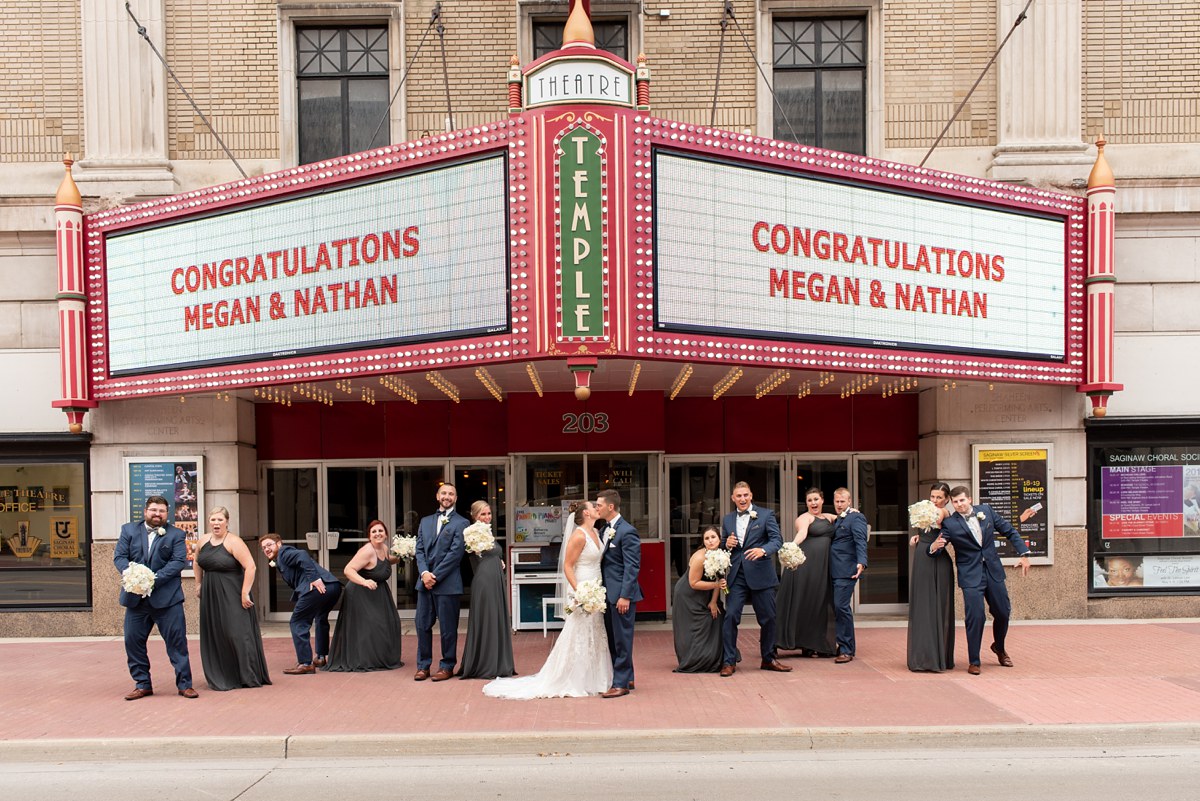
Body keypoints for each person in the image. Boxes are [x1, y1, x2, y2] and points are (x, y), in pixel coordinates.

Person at [483, 501, 612, 699]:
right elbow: (568, 566)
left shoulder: (596, 532)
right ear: (586, 513)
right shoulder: (579, 536)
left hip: (596, 586)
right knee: (578, 632)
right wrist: (580, 592)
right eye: (593, 506)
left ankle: (595, 678)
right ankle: (573, 678)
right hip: (583, 587)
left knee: (595, 631)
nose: (597, 508)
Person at [929, 485, 1031, 675]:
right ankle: (974, 660)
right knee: (975, 616)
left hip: (993, 571)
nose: (959, 505)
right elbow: (938, 548)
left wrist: (1024, 553)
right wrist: (933, 547)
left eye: (962, 500)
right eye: (955, 502)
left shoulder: (986, 511)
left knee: (1003, 612)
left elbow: (1009, 531)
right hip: (970, 575)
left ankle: (999, 647)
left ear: (969, 499)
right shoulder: (950, 524)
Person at [113, 495, 198, 700]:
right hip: (136, 599)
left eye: (161, 511)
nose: (157, 514)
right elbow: (120, 557)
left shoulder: (176, 534)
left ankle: (184, 684)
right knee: (133, 641)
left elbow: (178, 562)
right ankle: (142, 684)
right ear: (145, 511)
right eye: (153, 510)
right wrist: (134, 576)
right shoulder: (129, 530)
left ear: (166, 513)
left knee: (177, 643)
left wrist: (151, 579)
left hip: (167, 600)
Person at [194, 507, 271, 691]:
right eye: (213, 520)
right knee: (216, 632)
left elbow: (250, 567)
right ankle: (221, 674)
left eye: (220, 520)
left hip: (233, 592)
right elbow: (197, 562)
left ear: (227, 522)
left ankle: (247, 675)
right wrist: (198, 584)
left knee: (237, 633)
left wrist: (245, 592)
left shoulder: (234, 541)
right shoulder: (203, 540)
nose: (216, 523)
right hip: (211, 593)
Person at [720, 481, 791, 676]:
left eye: (745, 495)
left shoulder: (766, 515)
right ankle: (729, 661)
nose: (742, 499)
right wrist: (727, 543)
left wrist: (763, 550)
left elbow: (777, 540)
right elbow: (724, 547)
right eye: (738, 496)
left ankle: (768, 659)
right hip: (737, 575)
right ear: (733, 498)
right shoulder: (727, 519)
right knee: (731, 616)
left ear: (751, 495)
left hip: (761, 573)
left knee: (768, 618)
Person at [259, 533, 342, 674]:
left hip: (318, 587)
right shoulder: (280, 558)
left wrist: (314, 579)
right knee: (320, 616)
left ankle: (305, 663)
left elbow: (302, 555)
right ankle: (321, 657)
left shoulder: (284, 553)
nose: (266, 549)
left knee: (297, 622)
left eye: (269, 545)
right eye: (263, 547)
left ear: (279, 544)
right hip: (333, 586)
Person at [327, 519, 403, 672]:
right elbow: (348, 570)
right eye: (374, 532)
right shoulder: (367, 551)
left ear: (386, 534)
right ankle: (364, 659)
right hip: (360, 592)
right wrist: (365, 581)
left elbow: (387, 562)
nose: (377, 534)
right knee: (370, 626)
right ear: (369, 536)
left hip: (378, 593)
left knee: (389, 623)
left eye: (380, 531)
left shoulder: (385, 549)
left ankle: (379, 657)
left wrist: (405, 552)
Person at [414, 483, 467, 682]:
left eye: (451, 493)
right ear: (437, 496)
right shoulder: (425, 521)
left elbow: (455, 554)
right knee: (422, 625)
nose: (447, 496)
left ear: (456, 498)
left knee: (448, 628)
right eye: (443, 493)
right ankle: (423, 665)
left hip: (447, 584)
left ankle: (447, 666)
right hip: (424, 583)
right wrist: (424, 573)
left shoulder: (461, 523)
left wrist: (434, 576)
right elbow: (419, 550)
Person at [776, 487, 837, 658]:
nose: (813, 503)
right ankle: (798, 641)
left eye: (816, 499)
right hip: (806, 566)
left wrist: (853, 511)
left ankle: (813, 642)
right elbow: (802, 533)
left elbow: (845, 516)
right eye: (810, 500)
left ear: (822, 500)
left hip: (822, 566)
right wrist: (792, 545)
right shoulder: (804, 518)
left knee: (818, 602)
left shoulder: (828, 517)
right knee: (805, 601)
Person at [458, 500, 516, 680]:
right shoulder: (472, 531)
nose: (487, 517)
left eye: (489, 513)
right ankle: (486, 664)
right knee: (488, 619)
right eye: (482, 514)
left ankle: (497, 662)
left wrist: (498, 562)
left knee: (496, 618)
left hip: (495, 578)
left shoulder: (486, 531)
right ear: (474, 516)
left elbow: (488, 553)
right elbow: (475, 553)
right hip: (485, 581)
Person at [596, 488, 642, 697]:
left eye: (599, 505)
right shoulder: (604, 529)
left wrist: (625, 595)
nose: (597, 508)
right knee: (615, 638)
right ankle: (628, 677)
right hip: (607, 594)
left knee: (622, 640)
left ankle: (621, 684)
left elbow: (632, 567)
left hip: (621, 595)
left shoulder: (627, 531)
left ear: (610, 506)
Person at [906, 482, 955, 672]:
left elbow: (939, 524)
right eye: (932, 496)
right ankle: (923, 654)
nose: (935, 501)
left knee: (934, 607)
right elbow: (924, 528)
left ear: (947, 499)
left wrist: (934, 544)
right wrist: (916, 538)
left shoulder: (943, 513)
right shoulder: (926, 510)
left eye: (939, 498)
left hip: (936, 561)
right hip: (921, 558)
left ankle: (934, 657)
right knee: (922, 606)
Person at [672, 525, 726, 673]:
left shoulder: (721, 555)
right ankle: (694, 659)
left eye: (713, 537)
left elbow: (719, 579)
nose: (710, 541)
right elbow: (693, 583)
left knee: (718, 616)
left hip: (706, 593)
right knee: (693, 628)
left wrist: (714, 602)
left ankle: (714, 657)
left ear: (720, 539)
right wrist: (716, 585)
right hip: (688, 595)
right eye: (706, 538)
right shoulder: (700, 557)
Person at [830, 487, 868, 664]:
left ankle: (847, 649)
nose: (839, 504)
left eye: (842, 501)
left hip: (846, 570)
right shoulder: (838, 518)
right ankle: (841, 644)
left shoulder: (856, 517)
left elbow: (860, 540)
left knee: (841, 607)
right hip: (834, 569)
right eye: (836, 501)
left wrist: (862, 562)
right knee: (838, 608)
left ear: (849, 502)